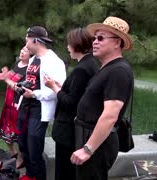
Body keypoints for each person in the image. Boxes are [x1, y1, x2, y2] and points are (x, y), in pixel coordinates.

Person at [70, 16, 134, 180]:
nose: (94, 42)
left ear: (117, 42)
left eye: (100, 38)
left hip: (97, 144)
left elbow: (110, 115)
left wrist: (88, 149)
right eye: (94, 38)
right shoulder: (107, 68)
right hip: (88, 136)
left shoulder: (118, 71)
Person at [44, 28, 99, 180]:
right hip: (75, 130)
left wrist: (53, 87)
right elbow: (78, 94)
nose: (68, 48)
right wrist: (62, 87)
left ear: (77, 45)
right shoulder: (91, 64)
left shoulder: (81, 69)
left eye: (69, 44)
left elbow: (70, 103)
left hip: (68, 131)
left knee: (64, 172)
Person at [17, 26, 66, 180]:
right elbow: (33, 81)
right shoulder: (33, 59)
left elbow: (58, 90)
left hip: (39, 110)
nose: (25, 45)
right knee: (23, 144)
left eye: (27, 41)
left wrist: (35, 94)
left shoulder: (54, 61)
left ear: (35, 41)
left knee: (34, 148)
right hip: (25, 107)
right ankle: (30, 175)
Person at [0, 46, 30, 168]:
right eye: (21, 49)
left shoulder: (29, 69)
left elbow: (19, 88)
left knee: (18, 134)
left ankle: (21, 157)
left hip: (17, 105)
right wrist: (5, 74)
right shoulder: (17, 63)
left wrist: (6, 79)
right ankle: (13, 152)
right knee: (4, 131)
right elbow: (10, 75)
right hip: (8, 103)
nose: (22, 51)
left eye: (26, 50)